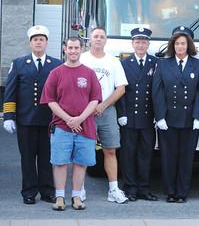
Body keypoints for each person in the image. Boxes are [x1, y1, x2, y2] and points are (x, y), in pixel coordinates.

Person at [40, 36, 102, 211]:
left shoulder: (89, 73)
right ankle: (60, 197)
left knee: (81, 163)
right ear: (64, 49)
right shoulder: (56, 73)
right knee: (60, 162)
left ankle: (76, 197)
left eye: (76, 48)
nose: (73, 51)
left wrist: (80, 118)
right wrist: (69, 119)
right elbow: (50, 100)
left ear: (81, 49)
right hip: (61, 126)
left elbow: (95, 99)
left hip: (85, 127)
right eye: (70, 48)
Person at [2, 25, 62, 205]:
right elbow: (10, 91)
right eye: (35, 39)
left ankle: (47, 191)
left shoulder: (56, 64)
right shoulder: (19, 63)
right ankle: (28, 192)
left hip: (48, 120)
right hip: (25, 120)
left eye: (41, 39)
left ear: (46, 43)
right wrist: (9, 116)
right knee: (27, 158)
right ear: (30, 43)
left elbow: (60, 93)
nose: (38, 42)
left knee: (46, 158)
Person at [152, 26, 199, 203]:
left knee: (186, 158)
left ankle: (182, 193)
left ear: (188, 45)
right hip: (168, 120)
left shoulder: (198, 65)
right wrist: (160, 116)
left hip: (189, 120)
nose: (180, 47)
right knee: (168, 157)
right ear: (173, 45)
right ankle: (170, 192)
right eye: (177, 43)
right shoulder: (162, 64)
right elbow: (157, 92)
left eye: (183, 43)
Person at [80, 27, 128, 204]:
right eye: (95, 36)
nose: (98, 39)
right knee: (83, 150)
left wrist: (103, 105)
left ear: (106, 40)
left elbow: (121, 88)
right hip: (84, 111)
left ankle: (113, 189)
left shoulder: (113, 61)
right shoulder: (82, 58)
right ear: (89, 40)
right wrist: (88, 107)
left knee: (110, 150)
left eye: (102, 37)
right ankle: (80, 190)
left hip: (107, 111)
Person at [116, 27, 158, 201]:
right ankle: (130, 188)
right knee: (128, 155)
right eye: (137, 42)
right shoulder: (124, 64)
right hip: (130, 117)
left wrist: (158, 115)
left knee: (146, 155)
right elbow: (120, 90)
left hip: (148, 118)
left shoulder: (156, 63)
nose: (140, 45)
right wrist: (122, 113)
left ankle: (144, 188)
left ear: (148, 44)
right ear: (132, 44)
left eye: (143, 42)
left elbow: (159, 91)